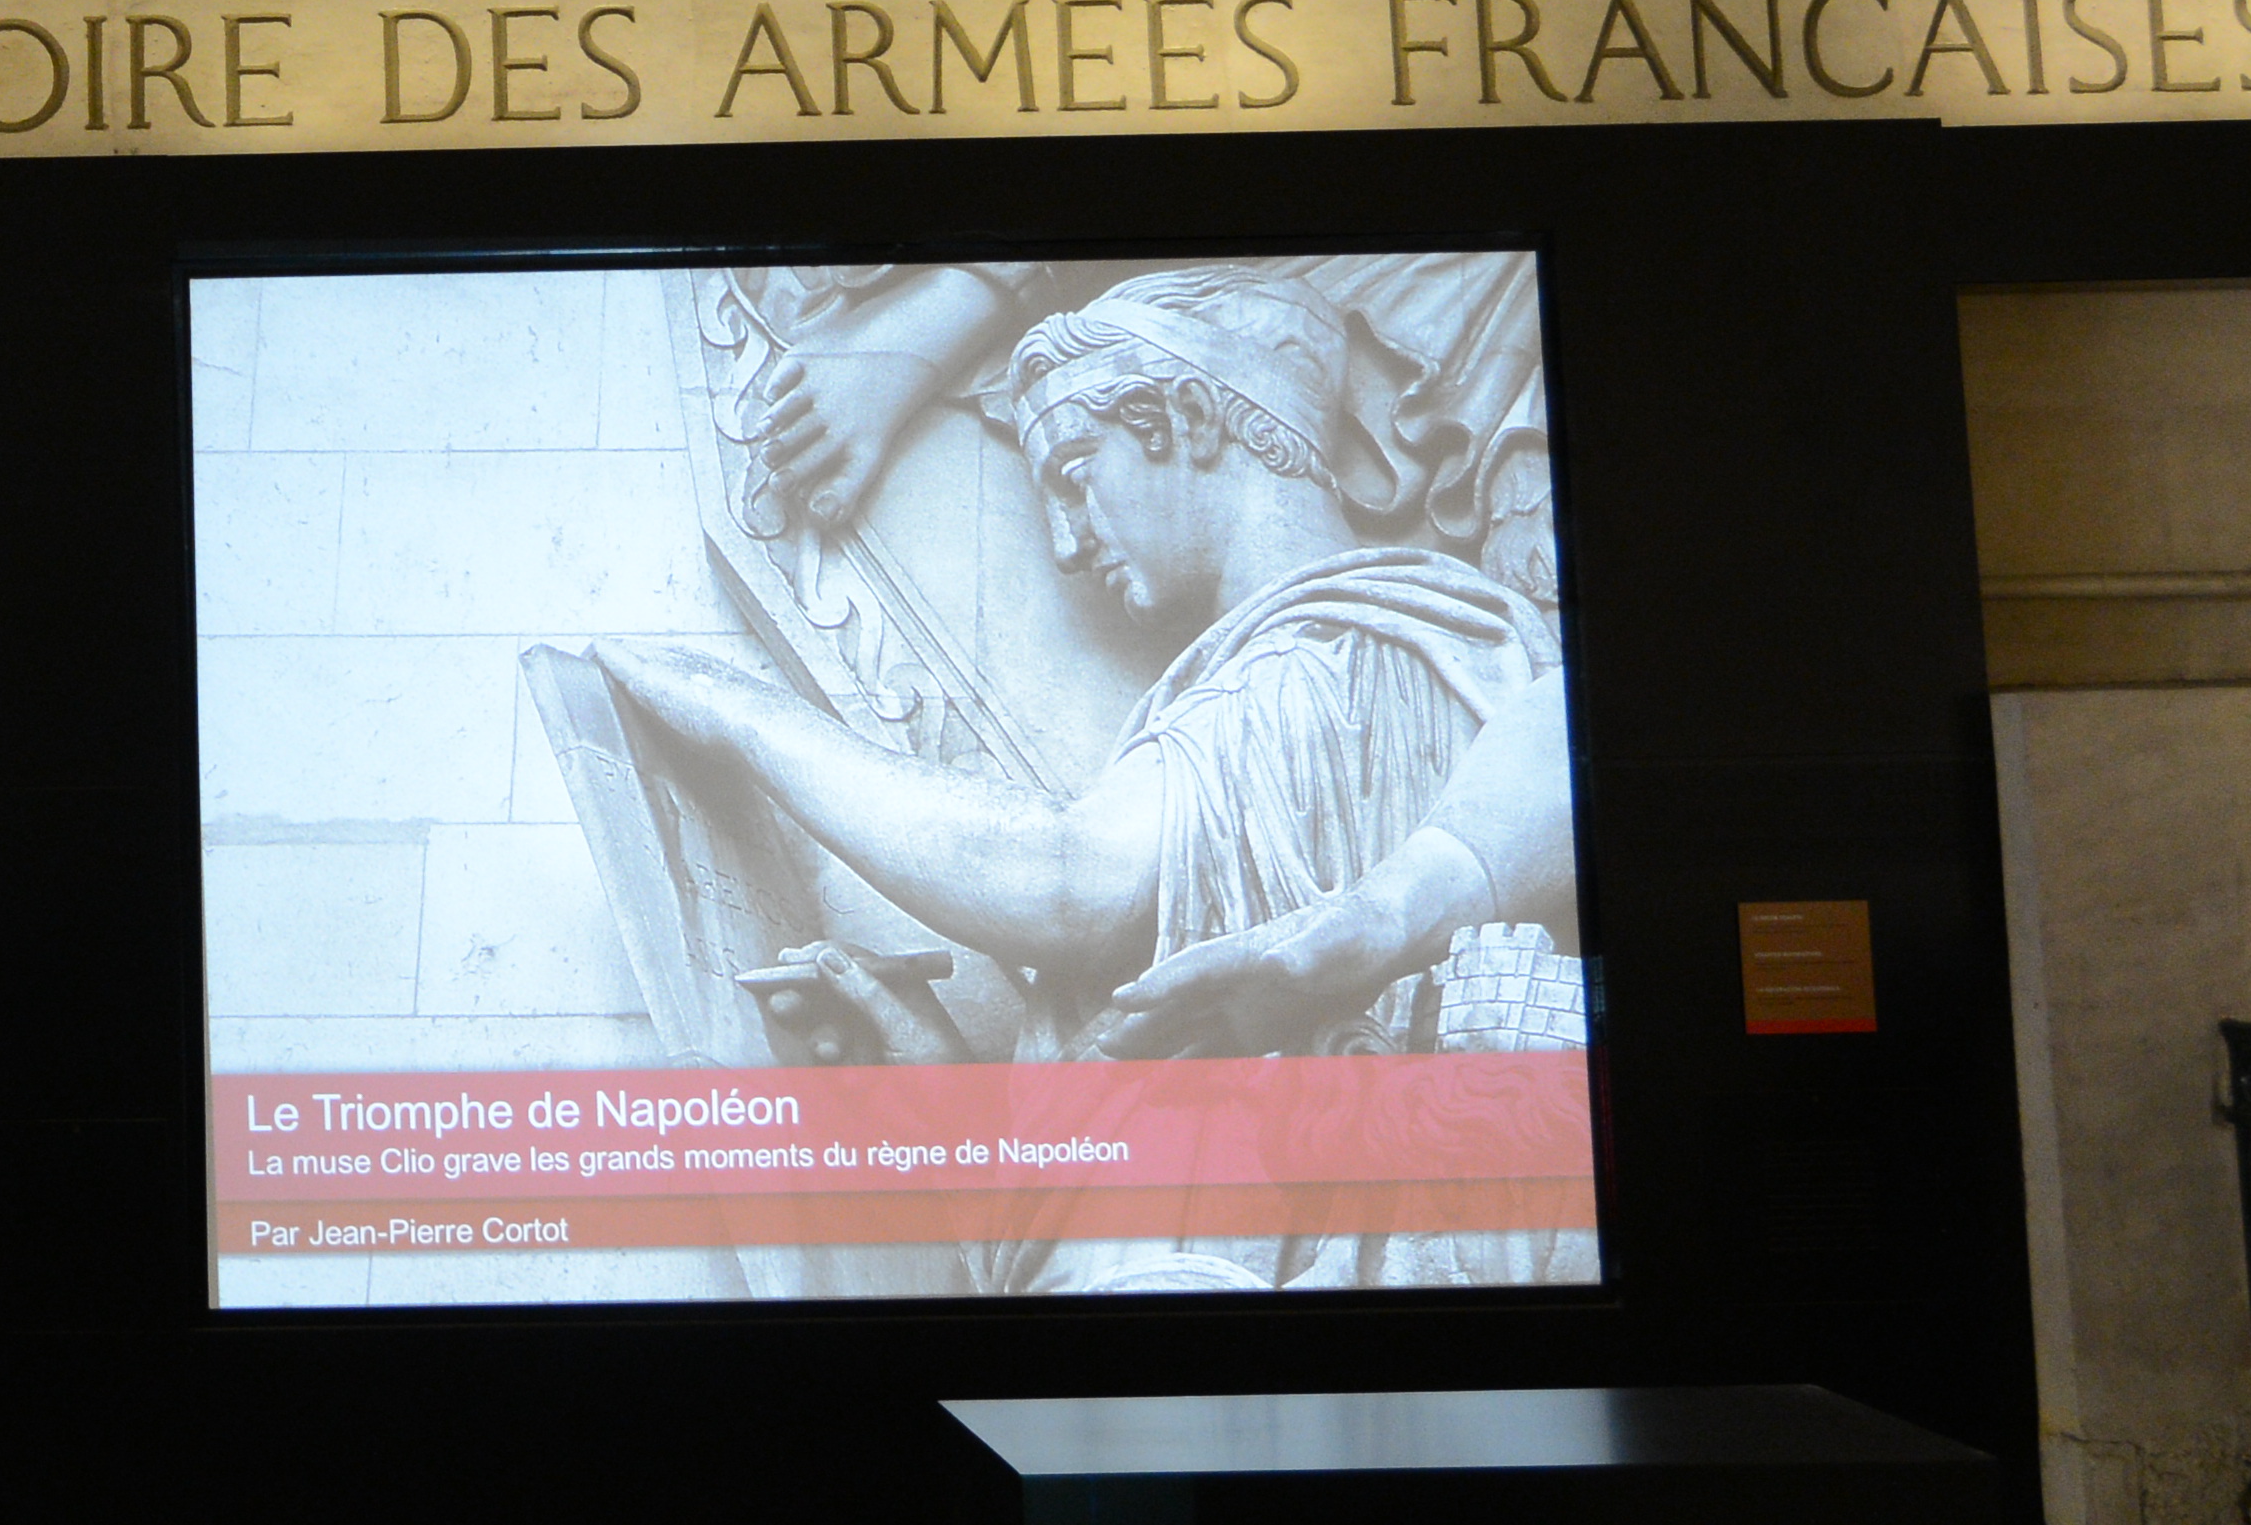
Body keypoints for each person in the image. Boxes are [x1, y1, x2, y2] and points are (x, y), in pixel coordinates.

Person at [600, 260, 1565, 1067]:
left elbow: (1065, 883)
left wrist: (743, 717)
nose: (1065, 544)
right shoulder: (1426, 642)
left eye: (1074, 475)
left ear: (1188, 419)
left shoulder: (1332, 658)